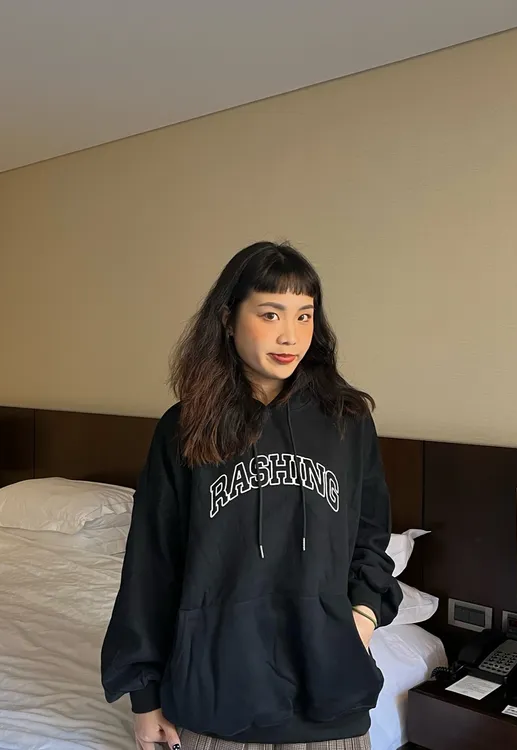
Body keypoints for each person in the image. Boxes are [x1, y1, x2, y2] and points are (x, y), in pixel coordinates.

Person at [101, 241, 402, 750]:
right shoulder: (185, 428)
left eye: (304, 316)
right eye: (270, 314)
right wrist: (145, 696)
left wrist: (363, 617)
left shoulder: (346, 421)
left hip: (329, 697)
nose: (291, 336)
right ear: (227, 319)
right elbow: (151, 565)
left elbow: (371, 535)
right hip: (217, 698)